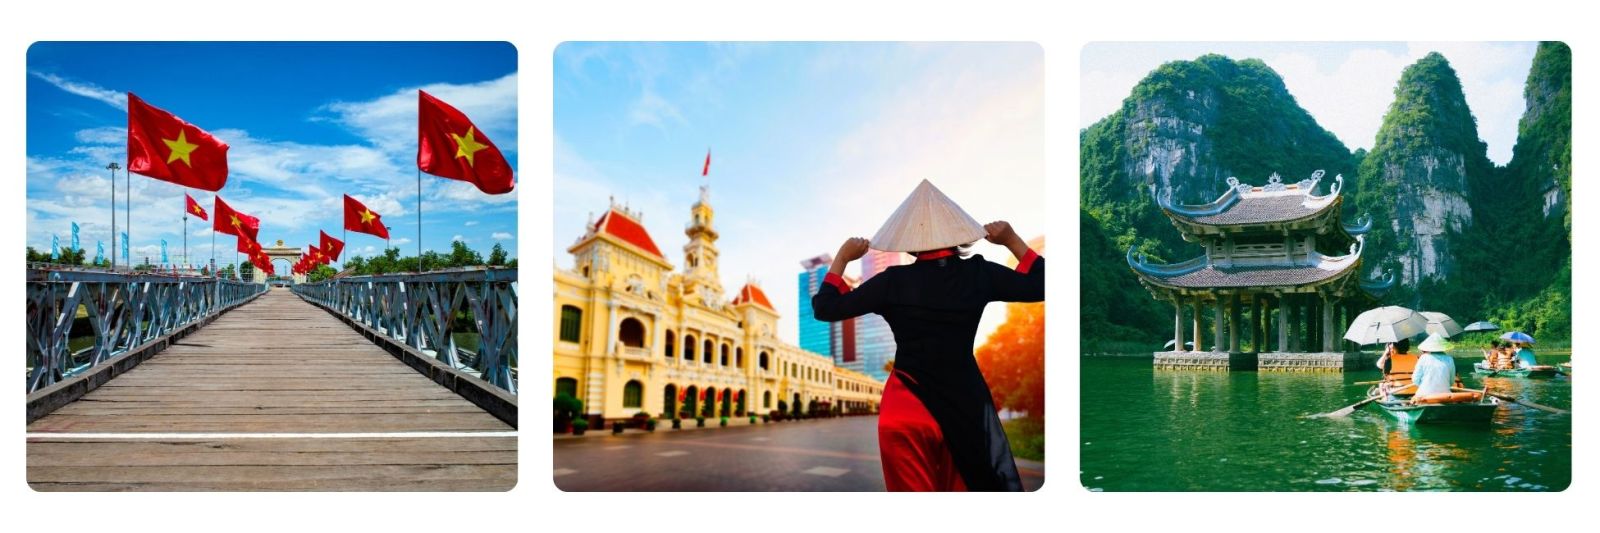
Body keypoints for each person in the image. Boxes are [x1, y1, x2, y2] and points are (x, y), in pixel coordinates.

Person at [812, 179, 1043, 492]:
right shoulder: (979, 273)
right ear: (955, 231)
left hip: (906, 405)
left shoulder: (892, 281)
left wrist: (842, 257)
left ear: (910, 239)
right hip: (963, 405)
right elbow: (1042, 283)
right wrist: (1011, 239)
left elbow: (826, 307)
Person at [1411, 333, 1457, 398]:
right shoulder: (1450, 359)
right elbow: (1451, 382)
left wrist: (1425, 385)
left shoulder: (1423, 357)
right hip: (1445, 396)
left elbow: (1415, 380)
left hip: (1424, 396)